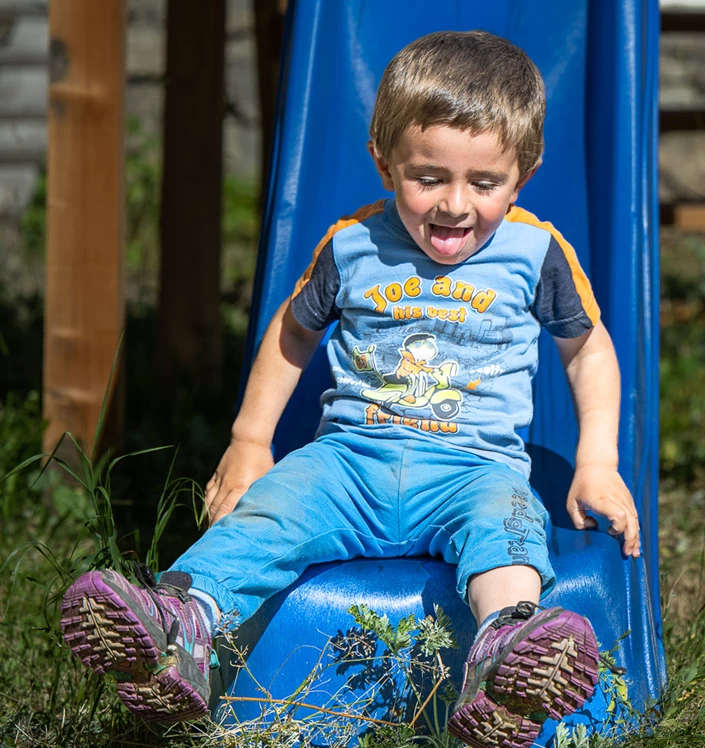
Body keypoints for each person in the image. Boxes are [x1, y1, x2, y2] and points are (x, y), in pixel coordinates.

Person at [58, 30, 641, 748]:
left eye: (484, 184)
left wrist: (598, 462)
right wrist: (248, 442)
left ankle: (504, 655)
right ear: (383, 161)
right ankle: (180, 627)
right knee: (266, 515)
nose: (454, 205)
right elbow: (291, 333)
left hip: (473, 470)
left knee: (508, 531)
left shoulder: (535, 252)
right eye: (427, 177)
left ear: (524, 172)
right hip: (347, 464)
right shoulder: (351, 246)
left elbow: (587, 353)